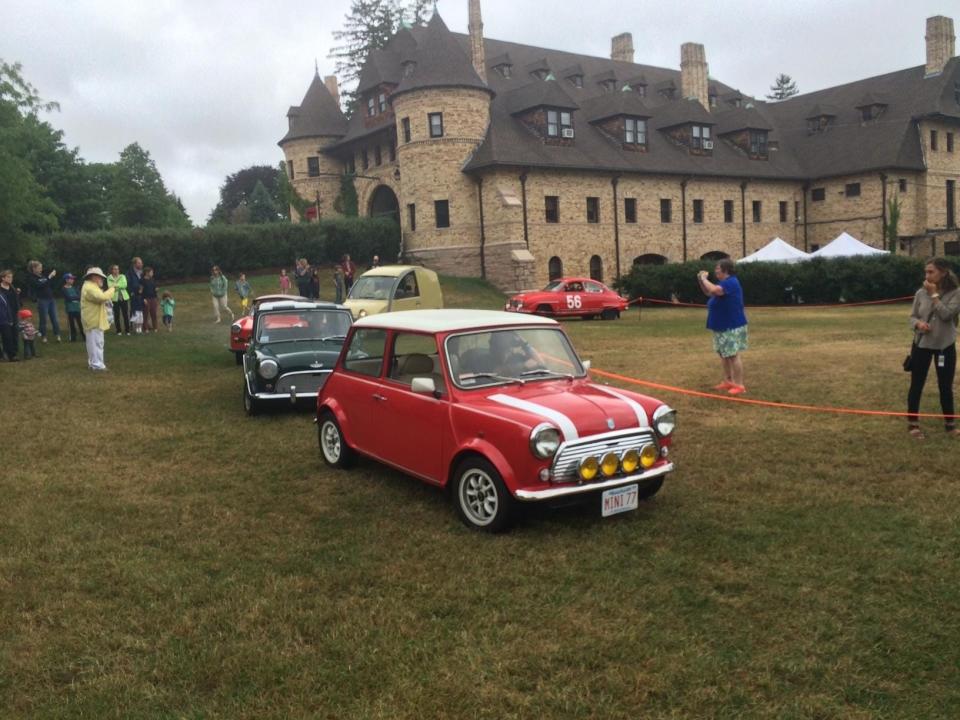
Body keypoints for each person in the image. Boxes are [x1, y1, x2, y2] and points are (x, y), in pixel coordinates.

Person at [907, 257, 960, 439]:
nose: (927, 275)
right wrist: (918, 324)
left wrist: (934, 296)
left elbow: (946, 315)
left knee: (945, 386)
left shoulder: (955, 293)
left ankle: (950, 425)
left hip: (945, 346)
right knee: (916, 384)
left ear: (943, 273)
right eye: (926, 272)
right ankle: (913, 424)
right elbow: (912, 317)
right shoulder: (920, 293)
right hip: (922, 345)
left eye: (931, 272)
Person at [697, 258, 748, 395]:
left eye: (718, 269)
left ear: (725, 270)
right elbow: (709, 292)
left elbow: (715, 290)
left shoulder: (731, 282)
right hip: (721, 325)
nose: (715, 271)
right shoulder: (723, 283)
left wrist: (704, 278)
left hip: (731, 325)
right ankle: (728, 381)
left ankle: (739, 385)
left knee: (733, 355)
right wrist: (701, 281)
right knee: (723, 354)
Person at [81, 267, 116, 371]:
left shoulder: (90, 286)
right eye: (100, 277)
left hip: (93, 319)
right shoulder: (90, 287)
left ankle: (94, 363)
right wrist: (112, 289)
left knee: (94, 343)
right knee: (96, 343)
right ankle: (97, 365)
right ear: (94, 277)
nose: (102, 279)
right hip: (93, 319)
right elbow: (102, 297)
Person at [26, 260, 61, 342]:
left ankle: (57, 335)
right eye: (39, 267)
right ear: (34, 268)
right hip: (42, 300)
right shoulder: (31, 278)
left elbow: (48, 284)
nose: (41, 269)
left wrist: (49, 278)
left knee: (54, 318)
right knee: (43, 319)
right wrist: (49, 277)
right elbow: (40, 285)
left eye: (41, 267)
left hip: (51, 299)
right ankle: (43, 336)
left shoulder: (43, 276)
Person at [0, 269, 20, 361]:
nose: (11, 278)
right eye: (8, 277)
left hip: (14, 313)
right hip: (3, 315)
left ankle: (14, 353)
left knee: (14, 333)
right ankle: (9, 354)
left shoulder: (12, 288)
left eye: (11, 277)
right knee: (6, 335)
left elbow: (16, 301)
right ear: (3, 278)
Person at [107, 264, 131, 335]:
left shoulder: (122, 276)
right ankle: (118, 330)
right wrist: (119, 285)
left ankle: (127, 330)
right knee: (117, 315)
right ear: (112, 270)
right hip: (115, 299)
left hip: (124, 297)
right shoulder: (109, 277)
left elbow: (125, 285)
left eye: (117, 269)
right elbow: (110, 287)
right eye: (114, 269)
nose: (116, 270)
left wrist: (116, 286)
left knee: (125, 314)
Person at [61, 273, 85, 342]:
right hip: (70, 309)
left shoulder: (75, 288)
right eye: (71, 279)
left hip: (77, 308)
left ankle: (84, 336)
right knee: (71, 324)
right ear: (66, 280)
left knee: (80, 323)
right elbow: (68, 298)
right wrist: (75, 298)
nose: (73, 280)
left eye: (73, 279)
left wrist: (74, 298)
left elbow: (79, 296)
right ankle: (73, 338)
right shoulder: (64, 289)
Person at [141, 267, 159, 332]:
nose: (152, 273)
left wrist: (156, 290)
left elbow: (155, 287)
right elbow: (141, 291)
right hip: (146, 299)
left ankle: (155, 327)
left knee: (154, 313)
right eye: (151, 272)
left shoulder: (152, 279)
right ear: (147, 273)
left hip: (153, 298)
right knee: (145, 314)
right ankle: (145, 328)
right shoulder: (142, 280)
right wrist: (143, 299)